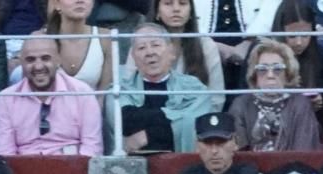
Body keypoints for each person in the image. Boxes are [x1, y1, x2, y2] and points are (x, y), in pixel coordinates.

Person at [0, 32, 104, 155]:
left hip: (73, 168)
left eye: (45, 58)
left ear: (58, 60)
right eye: (30, 60)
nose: (38, 66)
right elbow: (4, 153)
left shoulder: (83, 93)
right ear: (22, 63)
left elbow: (92, 148)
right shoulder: (7, 99)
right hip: (23, 170)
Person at [118, 23, 213, 153]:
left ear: (171, 52)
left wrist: (147, 136)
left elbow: (198, 125)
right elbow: (127, 121)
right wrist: (177, 118)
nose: (150, 52)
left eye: (156, 45)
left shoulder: (194, 88)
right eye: (141, 48)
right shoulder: (121, 90)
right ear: (133, 57)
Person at [228, 36, 323, 149]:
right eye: (263, 69)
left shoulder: (300, 103)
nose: (270, 75)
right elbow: (238, 153)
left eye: (277, 69)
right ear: (254, 74)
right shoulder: (240, 105)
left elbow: (304, 150)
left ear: (287, 73)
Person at [141, 0, 225, 111]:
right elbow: (129, 90)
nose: (176, 9)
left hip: (195, 121)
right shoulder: (141, 44)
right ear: (157, 11)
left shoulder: (206, 45)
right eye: (168, 3)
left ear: (191, 12)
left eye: (182, 3)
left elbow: (216, 99)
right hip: (149, 119)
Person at [272, 0, 323, 130]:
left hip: (312, 128)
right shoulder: (263, 54)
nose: (299, 42)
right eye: (292, 36)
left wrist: (321, 102)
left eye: (305, 35)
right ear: (280, 29)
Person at [46, 0, 114, 91]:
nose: (80, 1)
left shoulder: (106, 38)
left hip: (92, 104)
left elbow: (103, 93)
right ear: (57, 4)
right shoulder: (39, 39)